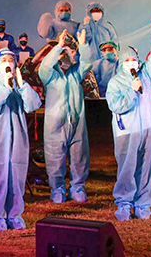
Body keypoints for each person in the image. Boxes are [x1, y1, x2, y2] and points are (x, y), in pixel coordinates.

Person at [106, 14, 151, 221]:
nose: (132, 63)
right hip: (126, 132)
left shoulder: (146, 75)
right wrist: (131, 90)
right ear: (121, 63)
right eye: (127, 60)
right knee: (127, 169)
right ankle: (123, 204)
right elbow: (117, 106)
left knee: (147, 168)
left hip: (148, 129)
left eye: (134, 59)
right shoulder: (115, 83)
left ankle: (143, 204)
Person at [0, 48, 42, 231]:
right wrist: (5, 88)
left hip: (18, 138)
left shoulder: (19, 86)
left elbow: (33, 105)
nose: (8, 63)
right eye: (4, 59)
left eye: (11, 60)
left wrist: (22, 85)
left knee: (16, 174)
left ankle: (14, 215)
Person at [38, 28, 93, 204]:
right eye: (66, 51)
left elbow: (88, 62)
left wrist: (83, 45)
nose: (69, 54)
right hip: (55, 125)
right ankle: (58, 189)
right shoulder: (50, 76)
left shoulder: (76, 74)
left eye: (71, 50)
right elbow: (45, 66)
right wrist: (59, 46)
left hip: (77, 123)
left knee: (79, 156)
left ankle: (78, 187)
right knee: (55, 157)